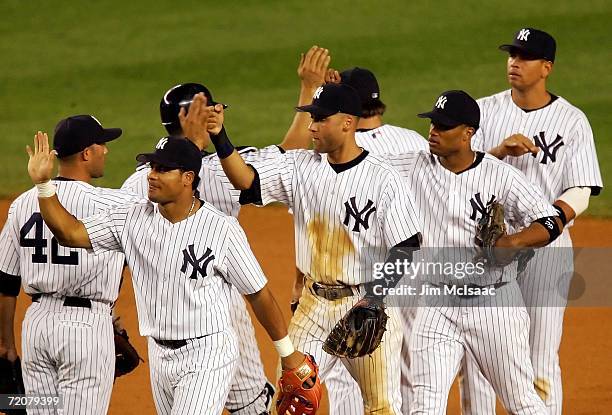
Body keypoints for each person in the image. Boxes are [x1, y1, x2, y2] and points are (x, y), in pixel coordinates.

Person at [26, 133, 318, 415]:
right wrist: (43, 184)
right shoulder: (131, 219)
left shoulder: (221, 229)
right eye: (152, 166)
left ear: (188, 178)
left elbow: (258, 294)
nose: (152, 175)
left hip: (207, 353)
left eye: (163, 169)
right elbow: (69, 233)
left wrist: (288, 354)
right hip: (159, 355)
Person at [121, 46, 331, 413]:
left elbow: (111, 251)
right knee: (249, 402)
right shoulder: (223, 169)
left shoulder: (139, 183)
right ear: (198, 117)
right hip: (222, 309)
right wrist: (309, 89)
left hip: (161, 314)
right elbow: (290, 155)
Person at [209, 82, 423, 414]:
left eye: (321, 118)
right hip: (312, 306)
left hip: (365, 303)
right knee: (289, 399)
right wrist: (220, 138)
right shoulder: (300, 166)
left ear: (347, 123)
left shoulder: (383, 178)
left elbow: (406, 247)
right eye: (312, 117)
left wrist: (375, 299)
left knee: (380, 407)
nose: (312, 126)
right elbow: (246, 180)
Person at [384, 90, 564, 414]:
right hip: (436, 305)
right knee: (424, 406)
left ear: (468, 133)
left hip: (494, 305)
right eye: (432, 123)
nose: (433, 131)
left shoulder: (501, 175)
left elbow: (551, 222)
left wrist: (515, 242)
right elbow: (361, 167)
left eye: (443, 126)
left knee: (521, 402)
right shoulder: (412, 165)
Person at [463, 28, 604, 415]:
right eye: (511, 54)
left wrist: (541, 228)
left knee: (539, 356)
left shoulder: (572, 121)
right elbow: (454, 172)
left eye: (524, 57)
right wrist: (495, 151)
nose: (514, 62)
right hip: (488, 247)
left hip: (547, 249)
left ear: (547, 68)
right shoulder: (482, 111)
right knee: (479, 355)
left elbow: (581, 189)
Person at [289, 65, 429, 415]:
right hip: (401, 273)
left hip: (363, 276)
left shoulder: (336, 152)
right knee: (403, 374)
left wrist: (297, 282)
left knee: (345, 379)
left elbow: (317, 228)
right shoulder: (413, 140)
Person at [0, 115, 136, 414]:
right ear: (87, 153)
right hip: (85, 331)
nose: (106, 151)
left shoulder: (22, 204)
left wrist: (6, 345)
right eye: (102, 144)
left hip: (36, 328)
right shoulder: (116, 204)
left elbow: (5, 283)